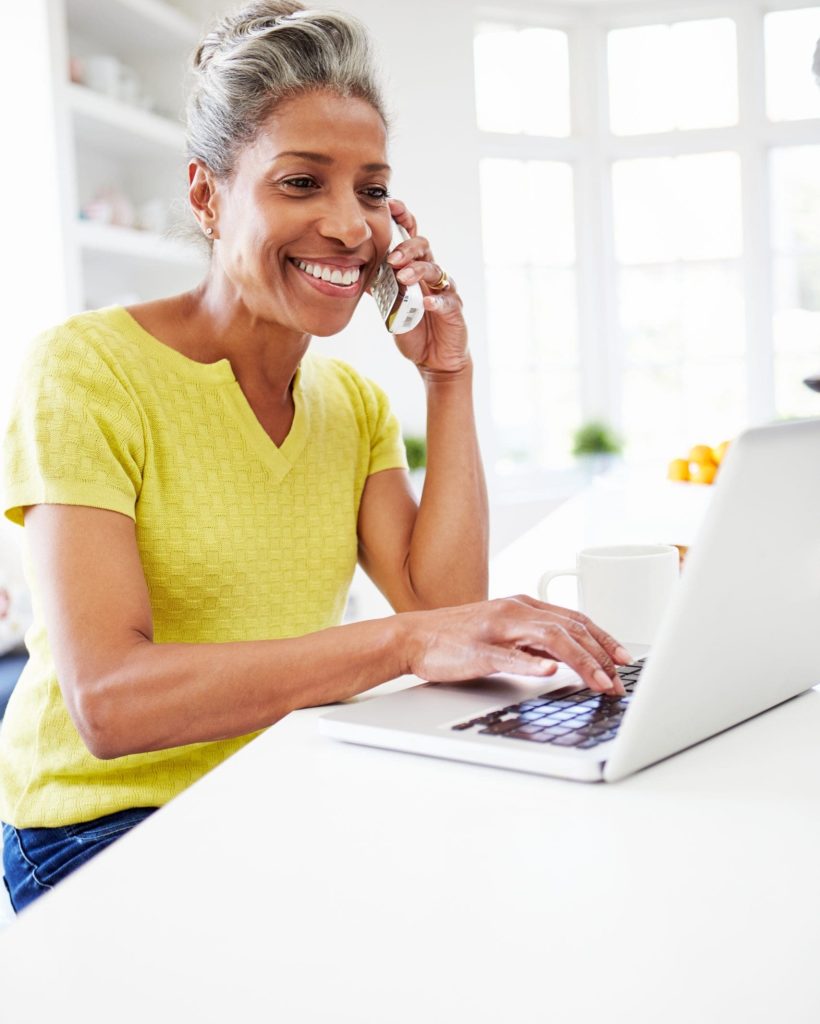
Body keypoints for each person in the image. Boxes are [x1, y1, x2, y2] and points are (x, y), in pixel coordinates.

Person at [0, 0, 629, 913]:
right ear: (207, 196)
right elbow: (111, 703)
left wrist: (448, 377)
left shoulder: (353, 404)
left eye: (372, 191)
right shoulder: (87, 370)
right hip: (103, 824)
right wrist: (406, 642)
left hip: (279, 785)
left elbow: (444, 612)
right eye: (302, 182)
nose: (349, 226)